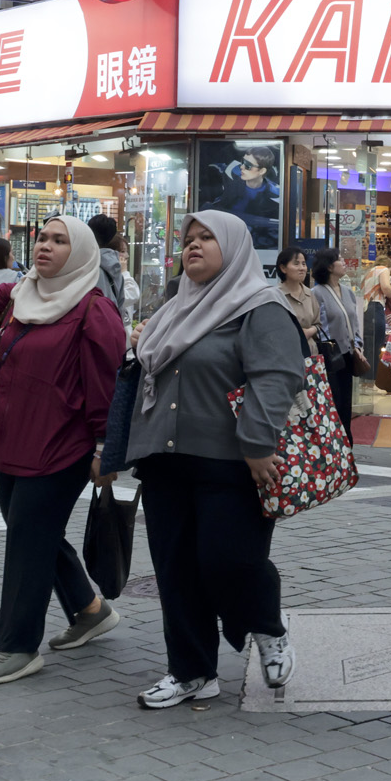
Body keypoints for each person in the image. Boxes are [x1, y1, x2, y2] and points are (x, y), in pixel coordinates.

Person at [0, 215, 127, 684]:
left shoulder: (95, 311)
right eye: (42, 238)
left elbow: (107, 386)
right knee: (31, 532)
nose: (45, 246)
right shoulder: (19, 295)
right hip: (9, 439)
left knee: (26, 541)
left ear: (80, 253)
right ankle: (89, 609)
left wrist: (105, 448)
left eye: (59, 241)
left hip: (62, 448)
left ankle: (18, 645)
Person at [126, 211, 306, 708]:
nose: (194, 245)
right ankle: (191, 671)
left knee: (229, 561)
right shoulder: (174, 307)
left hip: (233, 462)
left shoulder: (259, 307)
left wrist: (257, 444)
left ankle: (268, 626)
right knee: (175, 570)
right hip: (165, 459)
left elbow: (277, 376)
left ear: (235, 247)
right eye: (189, 238)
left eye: (207, 237)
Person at [311, 249, 366, 438]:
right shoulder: (316, 293)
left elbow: (354, 322)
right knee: (333, 403)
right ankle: (333, 445)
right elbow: (318, 325)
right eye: (339, 260)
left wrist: (358, 345)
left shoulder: (348, 292)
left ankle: (346, 445)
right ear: (328, 266)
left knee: (345, 404)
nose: (344, 263)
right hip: (329, 356)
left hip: (348, 354)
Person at [200, 148, 281, 248]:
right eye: (242, 162)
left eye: (248, 165)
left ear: (262, 171)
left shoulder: (276, 195)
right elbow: (211, 168)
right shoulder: (232, 171)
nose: (242, 167)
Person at [276, 247, 323, 353]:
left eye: (304, 264)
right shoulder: (276, 295)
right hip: (286, 352)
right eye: (296, 264)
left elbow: (318, 324)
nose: (302, 268)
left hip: (310, 354)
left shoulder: (309, 293)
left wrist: (309, 332)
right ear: (283, 268)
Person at [88, 213, 132, 321]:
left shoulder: (90, 268)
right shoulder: (115, 268)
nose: (126, 255)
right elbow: (120, 304)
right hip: (111, 325)